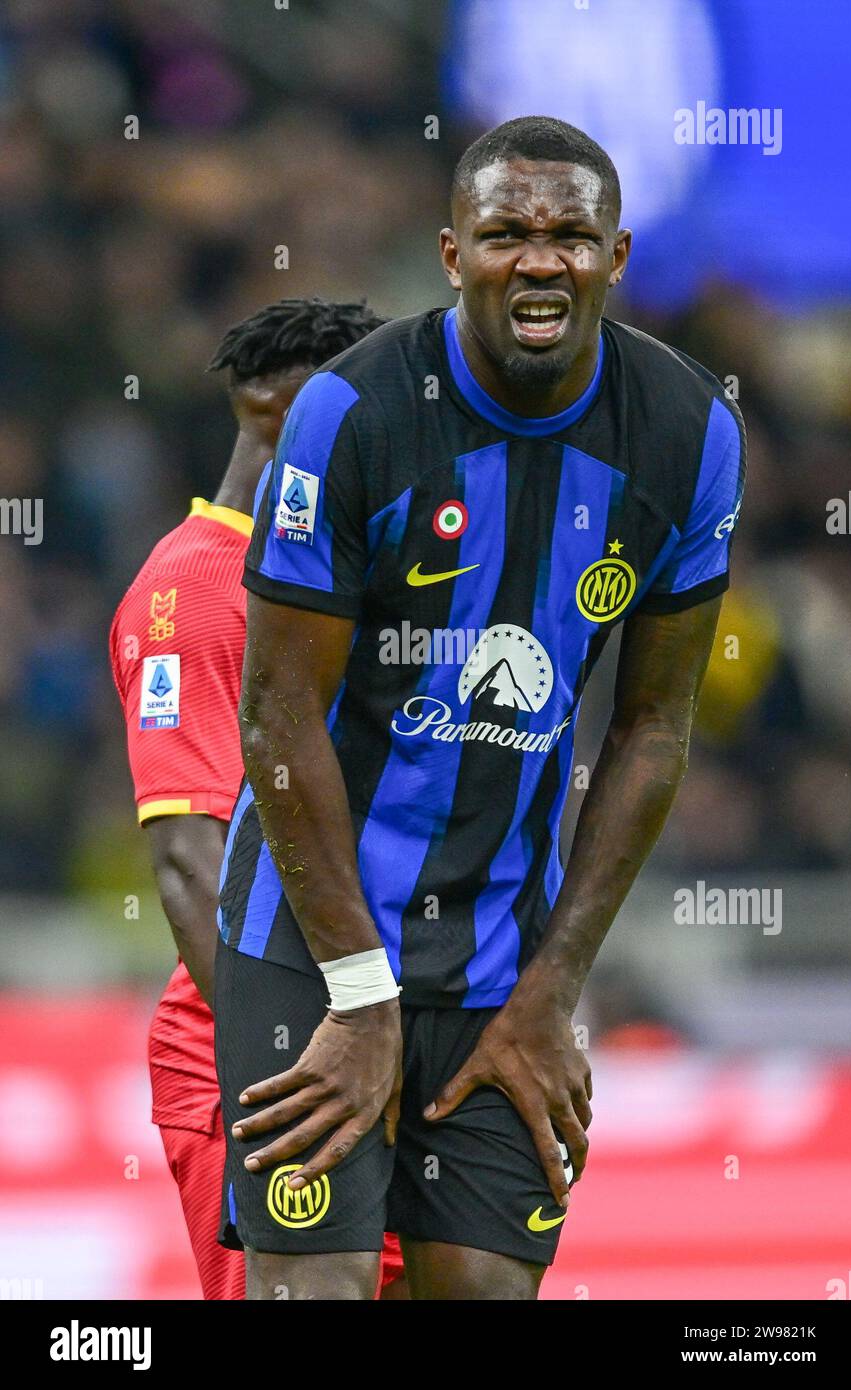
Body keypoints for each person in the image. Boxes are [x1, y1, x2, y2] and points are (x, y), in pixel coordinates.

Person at [216, 116, 747, 1301]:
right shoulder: (352, 413)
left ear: (615, 255)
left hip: (503, 957)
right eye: (506, 232)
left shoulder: (686, 433)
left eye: (571, 236)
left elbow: (652, 726)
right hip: (310, 942)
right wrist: (360, 994)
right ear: (453, 253)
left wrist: (555, 988)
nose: (539, 260)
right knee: (319, 1289)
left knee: (484, 1290)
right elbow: (275, 715)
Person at [109, 298, 405, 1299]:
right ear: (292, 414)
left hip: (375, 1034)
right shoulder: (192, 592)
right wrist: (288, 1055)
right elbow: (190, 861)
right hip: (276, 1055)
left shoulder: (344, 573)